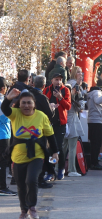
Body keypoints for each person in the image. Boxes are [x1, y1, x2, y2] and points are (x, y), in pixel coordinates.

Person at [1, 89, 59, 219]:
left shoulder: (41, 116)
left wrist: (55, 152)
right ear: (19, 104)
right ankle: (23, 210)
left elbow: (50, 135)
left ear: (34, 104)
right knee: (21, 185)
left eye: (29, 103)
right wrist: (8, 98)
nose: (26, 106)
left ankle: (32, 207)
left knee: (31, 180)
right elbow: (5, 108)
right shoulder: (15, 114)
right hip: (18, 156)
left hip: (37, 155)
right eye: (23, 103)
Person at [43, 73, 71, 180]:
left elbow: (68, 106)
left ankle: (61, 169)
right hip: (49, 123)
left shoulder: (65, 90)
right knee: (50, 149)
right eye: (56, 79)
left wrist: (60, 98)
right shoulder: (46, 90)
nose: (58, 82)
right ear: (52, 80)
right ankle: (51, 171)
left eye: (60, 80)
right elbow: (43, 103)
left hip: (60, 124)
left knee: (58, 148)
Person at [31, 76, 55, 188]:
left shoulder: (28, 95)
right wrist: (53, 108)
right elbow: (49, 114)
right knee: (41, 155)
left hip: (27, 129)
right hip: (40, 130)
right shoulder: (42, 97)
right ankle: (39, 179)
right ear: (44, 85)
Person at [63, 84, 85, 177]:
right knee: (72, 149)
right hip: (73, 127)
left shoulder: (61, 101)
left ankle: (58, 168)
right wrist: (79, 96)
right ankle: (72, 169)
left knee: (62, 149)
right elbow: (81, 108)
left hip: (63, 127)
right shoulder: (71, 102)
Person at [86, 78, 102, 170]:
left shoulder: (92, 92)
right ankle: (94, 163)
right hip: (95, 120)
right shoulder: (97, 92)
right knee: (96, 143)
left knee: (94, 142)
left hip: (92, 119)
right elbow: (98, 101)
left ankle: (93, 162)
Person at [0, 77, 16, 196]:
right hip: (3, 135)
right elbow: (6, 117)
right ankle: (3, 187)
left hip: (3, 135)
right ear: (3, 88)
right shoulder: (2, 101)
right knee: (3, 162)